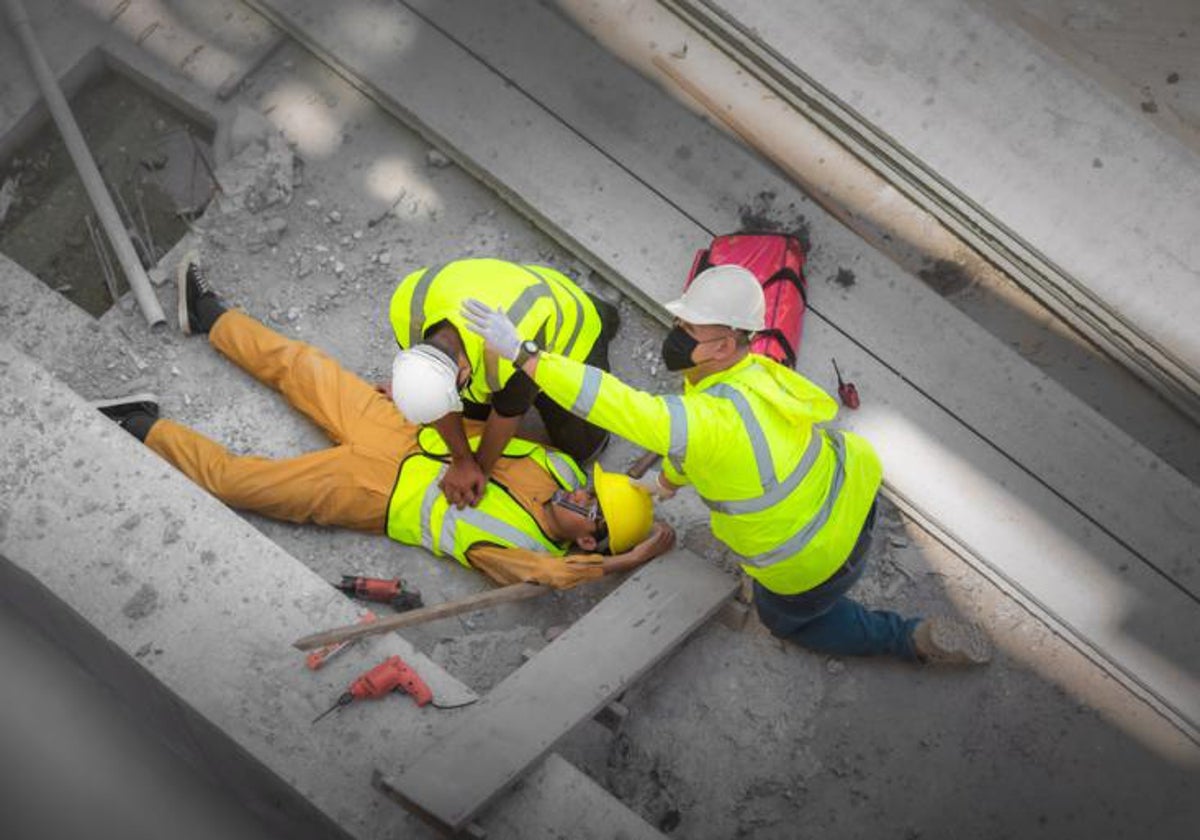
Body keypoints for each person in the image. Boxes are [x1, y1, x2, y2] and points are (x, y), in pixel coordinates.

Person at [461, 265, 992, 663]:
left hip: (813, 563)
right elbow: (717, 448)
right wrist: (667, 482)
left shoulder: (707, 417)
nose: (676, 331)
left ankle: (909, 639)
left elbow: (624, 408)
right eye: (680, 320)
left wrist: (528, 357)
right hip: (856, 499)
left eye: (688, 329)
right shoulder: (755, 374)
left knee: (789, 621)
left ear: (722, 343)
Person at [93, 255, 675, 590]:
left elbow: (560, 576)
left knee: (242, 484)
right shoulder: (560, 466)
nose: (582, 489)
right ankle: (207, 315)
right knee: (302, 367)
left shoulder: (527, 551)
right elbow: (486, 423)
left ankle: (140, 427)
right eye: (593, 490)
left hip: (378, 492)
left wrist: (628, 560)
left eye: (591, 504)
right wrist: (424, 417)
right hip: (403, 430)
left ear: (588, 541)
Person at [387, 258, 620, 510]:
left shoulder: (513, 344)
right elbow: (437, 397)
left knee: (582, 447)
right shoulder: (407, 307)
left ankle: (599, 311)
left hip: (564, 333)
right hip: (504, 288)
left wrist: (480, 469)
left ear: (463, 370)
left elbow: (507, 413)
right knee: (465, 414)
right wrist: (463, 460)